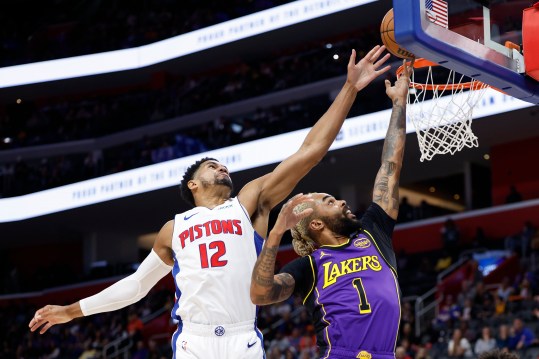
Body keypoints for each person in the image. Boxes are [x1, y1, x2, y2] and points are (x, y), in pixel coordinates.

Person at [28, 45, 392, 359]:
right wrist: (72, 311)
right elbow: (137, 286)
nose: (222, 166)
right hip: (194, 340)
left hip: (241, 337)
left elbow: (310, 152)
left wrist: (349, 89)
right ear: (193, 184)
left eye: (222, 163)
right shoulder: (174, 228)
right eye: (211, 165)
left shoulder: (249, 202)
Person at [250, 59, 413, 358]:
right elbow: (260, 295)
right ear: (315, 225)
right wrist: (275, 234)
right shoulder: (309, 266)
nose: (341, 201)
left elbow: (390, 166)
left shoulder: (373, 232)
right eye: (329, 201)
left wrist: (400, 103)